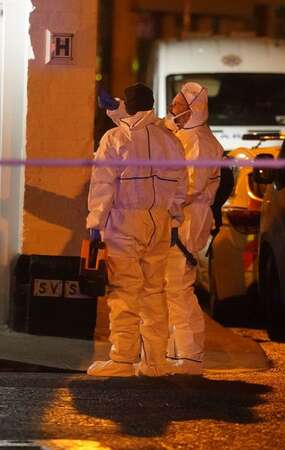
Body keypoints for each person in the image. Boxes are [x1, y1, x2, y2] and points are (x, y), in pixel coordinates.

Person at [86, 83, 188, 377]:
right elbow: (181, 185)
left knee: (125, 292)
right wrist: (174, 218)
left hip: (124, 220)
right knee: (155, 292)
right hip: (159, 221)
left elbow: (103, 184)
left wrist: (96, 223)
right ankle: (155, 361)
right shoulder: (170, 140)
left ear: (128, 106)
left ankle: (122, 360)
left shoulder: (115, 138)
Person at [163, 82, 224, 375]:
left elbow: (190, 185)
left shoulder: (199, 141)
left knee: (178, 287)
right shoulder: (185, 136)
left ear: (191, 108)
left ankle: (190, 355)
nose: (172, 108)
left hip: (187, 220)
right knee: (171, 287)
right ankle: (179, 352)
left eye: (176, 104)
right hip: (179, 217)